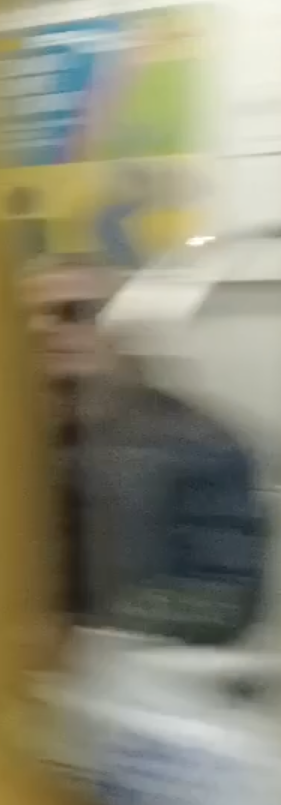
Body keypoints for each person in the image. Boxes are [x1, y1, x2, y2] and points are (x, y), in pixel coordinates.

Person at [26, 258, 264, 643]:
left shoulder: (196, 444)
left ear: (125, 331)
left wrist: (78, 626)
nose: (49, 331)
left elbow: (225, 601)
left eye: (75, 313)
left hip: (138, 685)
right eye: (32, 318)